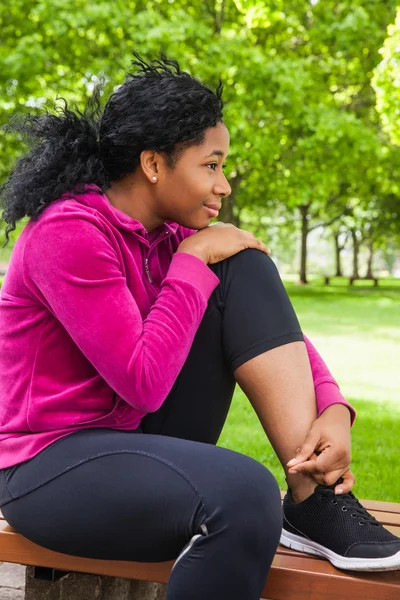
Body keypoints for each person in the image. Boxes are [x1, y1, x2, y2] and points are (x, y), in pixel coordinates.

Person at [0, 54, 398, 600]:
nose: (224, 184)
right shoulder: (68, 232)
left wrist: (332, 406)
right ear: (154, 164)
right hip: (47, 465)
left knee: (243, 263)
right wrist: (191, 260)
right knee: (243, 495)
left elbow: (270, 333)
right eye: (211, 165)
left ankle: (314, 496)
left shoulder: (165, 235)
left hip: (134, 437)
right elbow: (142, 380)